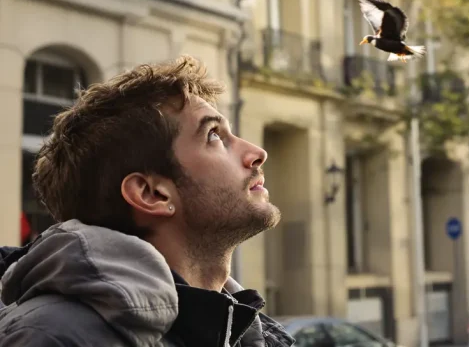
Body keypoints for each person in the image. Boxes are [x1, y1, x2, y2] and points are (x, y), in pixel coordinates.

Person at [0, 56, 294, 347]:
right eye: (214, 136)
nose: (256, 153)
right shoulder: (55, 336)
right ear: (151, 194)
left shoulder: (252, 334)